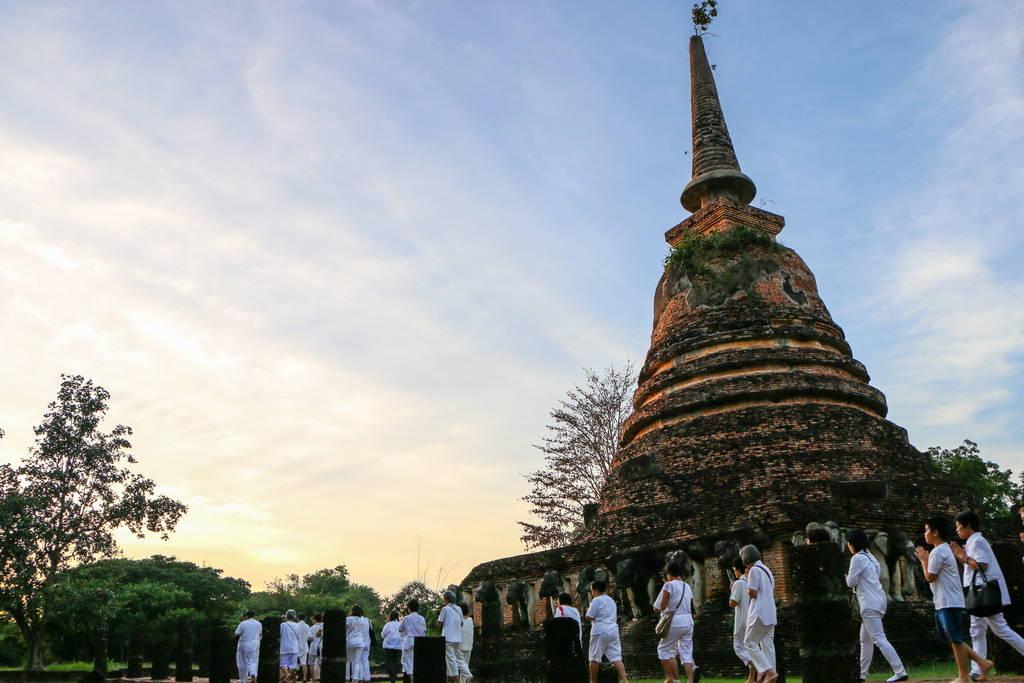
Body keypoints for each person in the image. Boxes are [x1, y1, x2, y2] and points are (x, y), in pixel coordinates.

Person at [915, 516, 993, 683]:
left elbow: (929, 577)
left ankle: (964, 676)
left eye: (927, 530)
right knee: (949, 639)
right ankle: (982, 662)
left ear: (935, 533)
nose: (925, 534)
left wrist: (923, 561)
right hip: (944, 600)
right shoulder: (941, 550)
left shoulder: (939, 551)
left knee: (955, 639)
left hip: (948, 601)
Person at [951, 510, 1024, 681]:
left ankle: (978, 668)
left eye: (959, 526)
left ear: (967, 525)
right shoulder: (973, 541)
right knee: (976, 629)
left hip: (984, 594)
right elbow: (974, 565)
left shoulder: (977, 541)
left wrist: (963, 557)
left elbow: (982, 566)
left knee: (1000, 628)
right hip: (979, 594)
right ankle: (977, 669)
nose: (958, 530)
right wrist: (963, 557)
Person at [845, 528, 908, 683]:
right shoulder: (872, 558)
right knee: (865, 640)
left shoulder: (858, 558)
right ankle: (862, 674)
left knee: (879, 638)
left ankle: (900, 671)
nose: (847, 546)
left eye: (848, 543)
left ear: (853, 543)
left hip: (868, 603)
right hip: (878, 601)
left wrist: (845, 577)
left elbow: (851, 582)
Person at [654, 560, 698, 683]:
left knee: (663, 650)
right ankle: (690, 680)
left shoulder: (668, 585)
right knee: (686, 652)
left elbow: (662, 606)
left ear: (669, 573)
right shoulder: (687, 586)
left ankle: (670, 677)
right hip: (688, 620)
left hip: (675, 621)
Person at [741, 545, 777, 683]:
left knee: (749, 643)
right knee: (767, 646)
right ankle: (771, 677)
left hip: (759, 611)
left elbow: (752, 592)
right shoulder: (766, 570)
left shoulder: (754, 570)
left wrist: (748, 579)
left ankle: (769, 671)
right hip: (770, 612)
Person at [585, 579, 629, 683]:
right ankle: (625, 680)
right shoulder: (611, 600)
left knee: (594, 657)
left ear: (595, 590)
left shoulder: (596, 600)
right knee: (615, 656)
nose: (592, 592)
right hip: (613, 629)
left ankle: (594, 681)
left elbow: (589, 616)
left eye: (592, 590)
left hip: (600, 629)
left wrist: (588, 611)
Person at [438, 590, 473, 683]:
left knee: (450, 658)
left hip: (448, 637)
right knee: (459, 658)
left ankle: (456, 677)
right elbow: (461, 623)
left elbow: (439, 622)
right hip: (457, 637)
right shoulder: (459, 609)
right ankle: (468, 674)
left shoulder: (445, 609)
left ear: (445, 599)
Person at [728, 559, 754, 683]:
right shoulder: (751, 581)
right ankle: (751, 678)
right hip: (753, 619)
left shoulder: (739, 583)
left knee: (739, 647)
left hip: (742, 621)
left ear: (738, 569)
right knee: (751, 648)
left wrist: (732, 589)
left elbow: (733, 603)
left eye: (734, 569)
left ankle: (758, 665)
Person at [398, 598, 427, 683]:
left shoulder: (406, 618)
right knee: (417, 662)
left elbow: (400, 629)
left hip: (409, 641)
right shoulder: (422, 618)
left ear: (409, 608)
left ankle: (412, 679)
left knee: (409, 662)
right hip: (419, 641)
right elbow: (424, 630)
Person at [235, 610, 263, 683]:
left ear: (246, 616)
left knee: (242, 662)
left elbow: (237, 633)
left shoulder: (243, 623)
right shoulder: (258, 624)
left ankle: (243, 679)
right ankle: (253, 674)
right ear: (254, 616)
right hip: (254, 644)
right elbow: (260, 634)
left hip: (243, 645)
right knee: (253, 660)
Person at [345, 605, 368, 683]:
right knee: (357, 662)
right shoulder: (363, 620)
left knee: (347, 661)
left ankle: (347, 678)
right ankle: (355, 679)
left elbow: (344, 627)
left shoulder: (348, 619)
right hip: (360, 642)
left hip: (350, 641)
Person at [381, 611, 403, 683]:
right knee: (395, 661)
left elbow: (384, 634)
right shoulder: (400, 624)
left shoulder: (388, 625)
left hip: (388, 645)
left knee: (388, 663)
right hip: (398, 645)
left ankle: (392, 676)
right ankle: (394, 674)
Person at [280, 610, 301, 683]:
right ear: (294, 617)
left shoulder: (283, 625)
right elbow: (298, 636)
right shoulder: (297, 625)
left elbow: (280, 635)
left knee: (281, 663)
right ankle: (288, 679)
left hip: (284, 647)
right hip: (294, 647)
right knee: (292, 665)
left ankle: (287, 673)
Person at [458, 603, 474, 680]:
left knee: (460, 664)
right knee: (465, 666)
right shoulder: (470, 620)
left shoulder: (458, 620)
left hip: (460, 645)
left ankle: (469, 675)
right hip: (469, 646)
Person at [307, 613, 323, 683]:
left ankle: (313, 679)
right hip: (321, 647)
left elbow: (310, 638)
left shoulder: (312, 627)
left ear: (315, 619)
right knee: (320, 664)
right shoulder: (323, 626)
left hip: (313, 647)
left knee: (311, 664)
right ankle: (322, 677)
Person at [295, 614, 310, 682]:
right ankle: (304, 678)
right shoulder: (307, 626)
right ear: (305, 619)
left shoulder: (296, 626)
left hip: (295, 646)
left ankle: (293, 678)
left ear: (298, 619)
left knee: (294, 664)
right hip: (304, 646)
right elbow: (309, 637)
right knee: (303, 664)